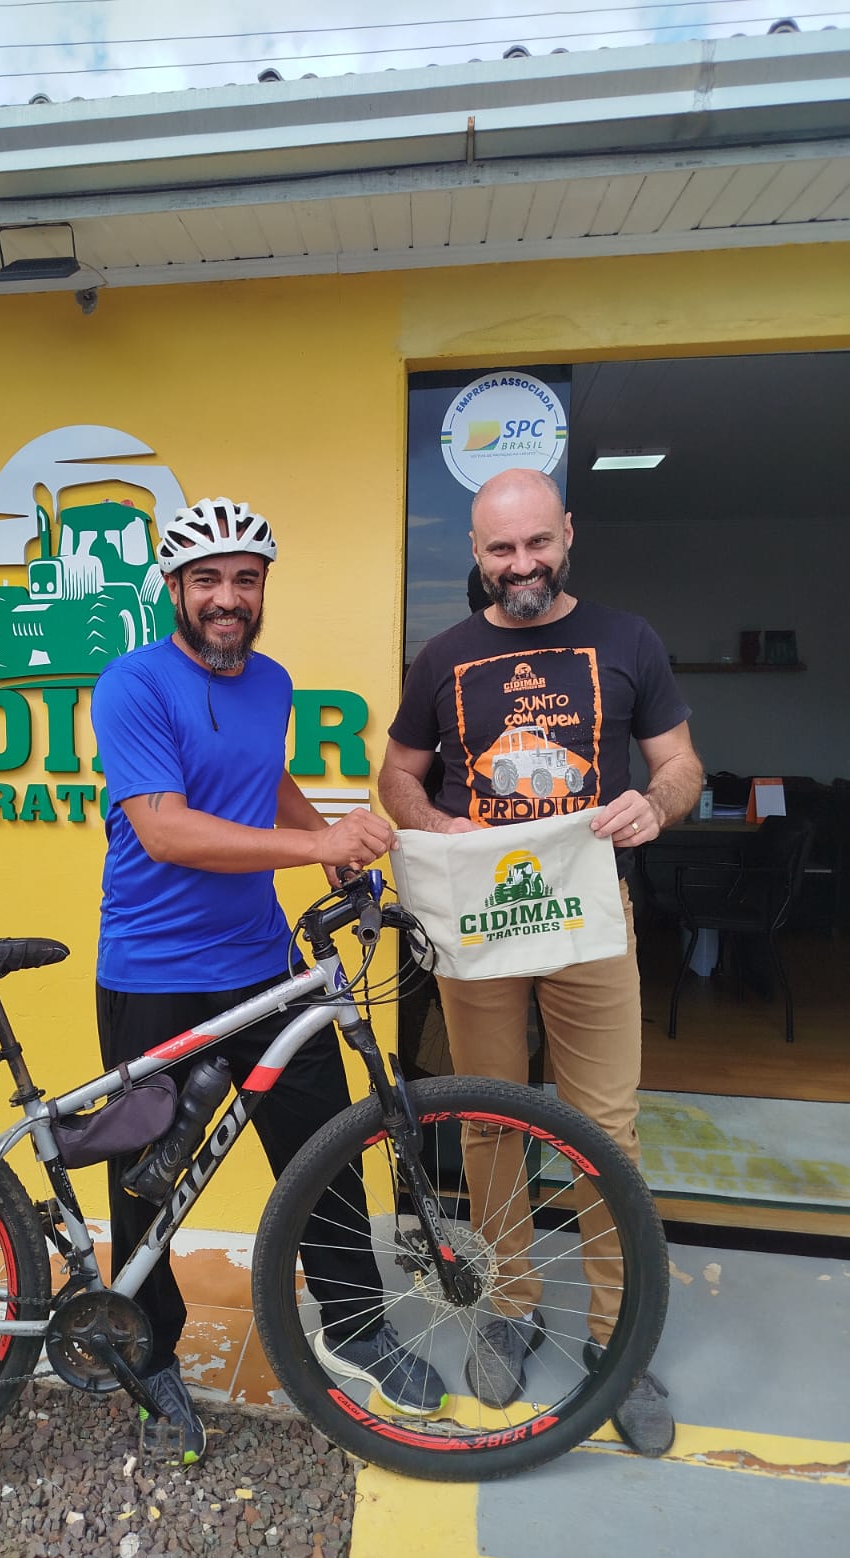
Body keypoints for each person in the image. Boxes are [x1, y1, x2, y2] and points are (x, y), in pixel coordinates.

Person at [90, 495, 447, 1464]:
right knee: (146, 1173)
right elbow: (165, 829)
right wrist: (315, 844)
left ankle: (356, 1323)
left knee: (326, 1147)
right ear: (174, 589)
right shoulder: (131, 684)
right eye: (207, 579)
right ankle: (148, 1348)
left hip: (263, 962)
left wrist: (326, 839)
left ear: (261, 590)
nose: (228, 597)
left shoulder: (274, 680)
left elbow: (265, 778)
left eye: (245, 580)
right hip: (154, 971)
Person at [378, 467, 702, 1458]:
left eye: (536, 543)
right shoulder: (443, 657)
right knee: (489, 1121)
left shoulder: (628, 640)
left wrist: (656, 804)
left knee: (607, 1130)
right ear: (477, 553)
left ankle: (618, 1338)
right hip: (482, 925)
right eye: (501, 549)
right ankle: (509, 1308)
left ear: (567, 533)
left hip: (591, 919)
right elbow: (397, 773)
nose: (521, 565)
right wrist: (438, 827)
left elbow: (682, 763)